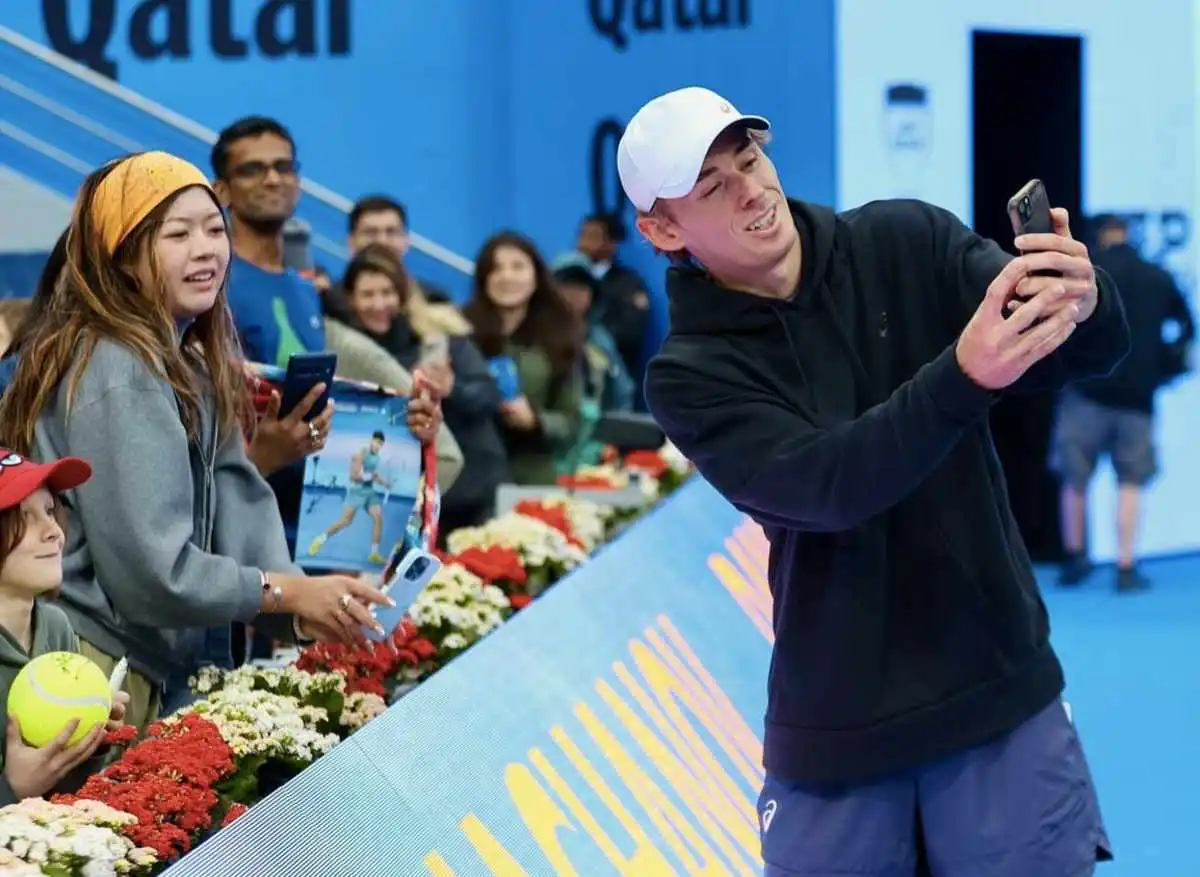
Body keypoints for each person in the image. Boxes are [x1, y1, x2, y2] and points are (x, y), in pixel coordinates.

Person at [622, 87, 1129, 875]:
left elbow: (1073, 349)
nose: (752, 188)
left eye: (749, 159)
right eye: (713, 186)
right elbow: (826, 488)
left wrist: (1085, 299)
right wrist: (963, 376)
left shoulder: (904, 237)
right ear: (661, 230)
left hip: (1000, 686)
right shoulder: (688, 377)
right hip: (836, 727)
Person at [0, 151, 392, 729]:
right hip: (99, 668)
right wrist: (281, 594)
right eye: (178, 235)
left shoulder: (187, 361)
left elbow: (238, 493)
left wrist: (311, 606)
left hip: (151, 662)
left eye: (214, 230)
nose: (206, 248)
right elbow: (153, 575)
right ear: (125, 257)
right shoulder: (118, 369)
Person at [1051, 213, 1196, 591]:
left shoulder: (1087, 275)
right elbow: (1187, 328)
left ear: (1097, 237)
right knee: (1131, 480)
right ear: (1128, 234)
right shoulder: (1157, 275)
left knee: (1075, 479)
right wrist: (1165, 366)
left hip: (1085, 392)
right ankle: (1126, 565)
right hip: (1138, 398)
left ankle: (1075, 558)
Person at [336, 244, 505, 536]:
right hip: (408, 497)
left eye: (386, 293)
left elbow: (489, 396)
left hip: (474, 490)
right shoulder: (350, 357)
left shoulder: (438, 340)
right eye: (367, 294)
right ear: (350, 299)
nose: (378, 304)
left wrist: (453, 388)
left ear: (401, 296)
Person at [0, 450, 130, 804]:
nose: (55, 532)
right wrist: (12, 788)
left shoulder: (57, 627)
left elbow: (65, 794)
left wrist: (91, 743)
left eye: (49, 511)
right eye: (25, 517)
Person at [463, 232, 584, 485]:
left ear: (536, 275)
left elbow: (572, 422)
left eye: (517, 267)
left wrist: (535, 420)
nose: (506, 276)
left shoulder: (560, 335)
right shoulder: (459, 330)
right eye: (496, 268)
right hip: (469, 475)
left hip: (531, 474)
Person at [308, 431, 391, 564]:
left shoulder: (377, 458)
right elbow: (354, 476)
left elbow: (374, 474)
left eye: (380, 444)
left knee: (378, 518)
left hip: (369, 492)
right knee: (345, 522)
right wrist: (371, 477)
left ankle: (374, 554)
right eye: (376, 442)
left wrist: (386, 484)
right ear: (371, 440)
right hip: (356, 492)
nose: (377, 445)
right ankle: (319, 540)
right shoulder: (359, 455)